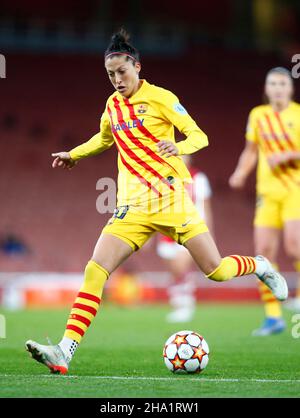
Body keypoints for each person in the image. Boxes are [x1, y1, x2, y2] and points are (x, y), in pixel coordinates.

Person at [25, 30, 288, 374]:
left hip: (171, 200)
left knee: (216, 270)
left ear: (136, 66)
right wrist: (74, 154)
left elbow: (199, 135)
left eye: (122, 72)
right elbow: (104, 138)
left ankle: (261, 265)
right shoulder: (112, 105)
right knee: (95, 269)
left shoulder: (162, 98)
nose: (117, 80)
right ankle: (64, 351)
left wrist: (179, 147)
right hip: (132, 207)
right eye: (110, 74)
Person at [229, 67, 300, 336]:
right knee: (263, 254)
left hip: (295, 190)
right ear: (267, 88)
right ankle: (273, 317)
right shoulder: (258, 116)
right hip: (266, 194)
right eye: (273, 83)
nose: (278, 87)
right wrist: (240, 172)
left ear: (290, 89)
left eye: (283, 83)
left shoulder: (298, 114)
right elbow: (251, 151)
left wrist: (288, 156)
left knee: (295, 248)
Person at [156, 155, 214, 322]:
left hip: (190, 228)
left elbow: (206, 206)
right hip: (167, 231)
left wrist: (208, 233)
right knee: (174, 270)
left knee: (181, 267)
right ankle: (177, 302)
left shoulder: (198, 178)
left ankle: (186, 304)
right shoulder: (163, 179)